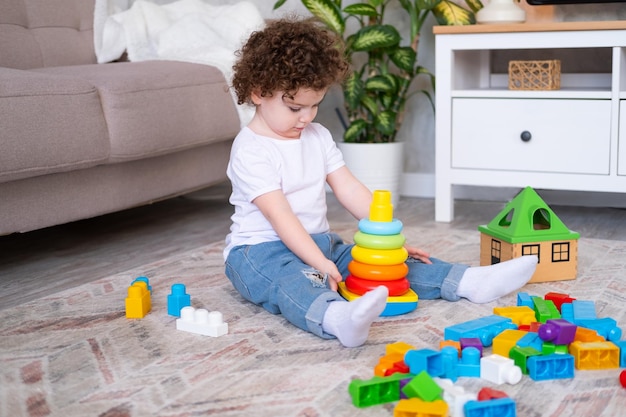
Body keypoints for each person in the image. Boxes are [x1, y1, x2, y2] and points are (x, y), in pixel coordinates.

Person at [224, 18, 537, 348]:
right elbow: (280, 217)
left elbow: (349, 189)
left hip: (319, 243)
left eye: (315, 105)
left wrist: (388, 240)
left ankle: (468, 281)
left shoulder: (317, 136)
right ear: (258, 92)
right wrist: (321, 264)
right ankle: (336, 319)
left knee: (380, 265)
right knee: (299, 280)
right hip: (261, 253)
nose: (307, 117)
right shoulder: (251, 149)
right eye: (295, 107)